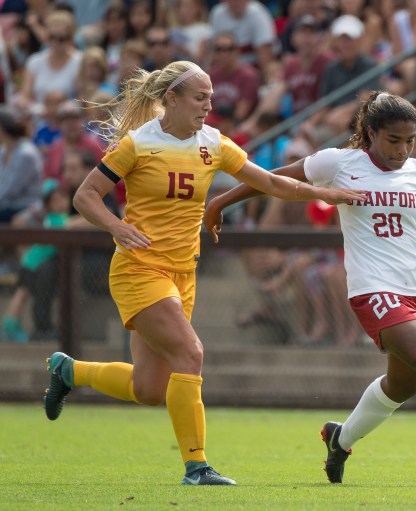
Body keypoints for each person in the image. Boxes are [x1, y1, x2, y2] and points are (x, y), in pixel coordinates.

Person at [43, 60, 365, 486]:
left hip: (182, 273)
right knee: (191, 354)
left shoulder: (213, 142)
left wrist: (328, 194)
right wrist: (117, 226)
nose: (209, 105)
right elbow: (86, 196)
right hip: (140, 269)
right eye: (200, 97)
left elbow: (271, 183)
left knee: (149, 389)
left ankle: (68, 371)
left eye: (211, 96)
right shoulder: (138, 144)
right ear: (171, 99)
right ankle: (197, 466)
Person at [202, 91, 416, 484]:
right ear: (371, 132)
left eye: (409, 140)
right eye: (394, 140)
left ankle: (339, 439)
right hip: (373, 290)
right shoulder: (338, 162)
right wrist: (220, 202)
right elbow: (272, 179)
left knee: (401, 387)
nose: (402, 149)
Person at [2, 179, 68, 342]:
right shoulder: (55, 220)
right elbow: (69, 225)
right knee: (21, 293)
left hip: (31, 262)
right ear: (48, 206)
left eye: (62, 199)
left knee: (22, 293)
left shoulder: (55, 218)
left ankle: (11, 325)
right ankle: (9, 325)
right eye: (55, 201)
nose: (61, 204)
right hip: (33, 263)